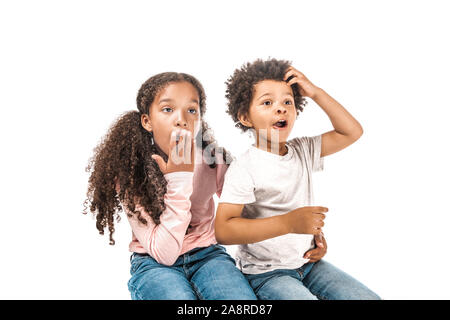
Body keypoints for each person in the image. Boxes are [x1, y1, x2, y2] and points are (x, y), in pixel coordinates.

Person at [215, 58, 381, 300]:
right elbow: (224, 230)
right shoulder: (245, 167)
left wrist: (315, 92)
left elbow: (351, 131)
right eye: (267, 102)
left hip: (308, 264)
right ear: (245, 117)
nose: (281, 108)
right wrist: (289, 223)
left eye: (287, 102)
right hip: (266, 274)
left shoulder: (303, 150)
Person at [83, 72, 258, 300]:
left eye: (192, 110)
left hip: (208, 256)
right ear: (147, 121)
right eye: (168, 109)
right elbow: (164, 253)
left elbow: (250, 215)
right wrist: (180, 177)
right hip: (154, 263)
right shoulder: (131, 171)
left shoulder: (214, 160)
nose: (181, 119)